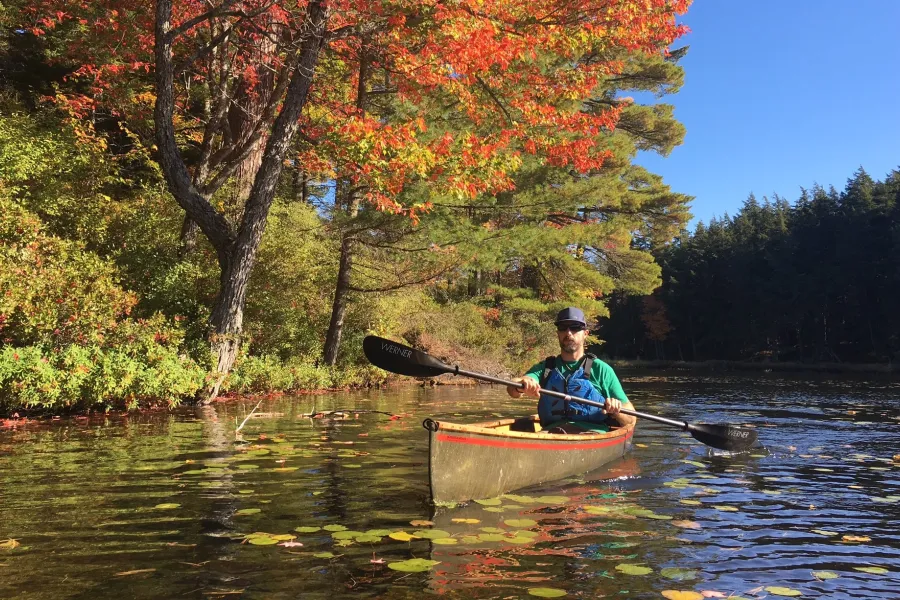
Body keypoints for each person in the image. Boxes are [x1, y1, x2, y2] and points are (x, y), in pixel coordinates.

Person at [506, 307, 636, 433]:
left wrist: (617, 410)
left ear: (585, 334)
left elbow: (631, 419)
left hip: (592, 433)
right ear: (558, 333)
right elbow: (512, 389)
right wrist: (522, 384)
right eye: (563, 328)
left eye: (575, 328)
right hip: (551, 432)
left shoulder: (601, 369)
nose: (568, 333)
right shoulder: (546, 367)